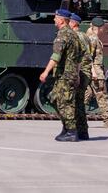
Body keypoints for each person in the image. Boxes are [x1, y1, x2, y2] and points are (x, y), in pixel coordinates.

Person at [39, 9, 82, 142]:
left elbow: (56, 56)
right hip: (71, 74)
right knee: (54, 98)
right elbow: (80, 57)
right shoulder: (74, 35)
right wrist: (77, 74)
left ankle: (72, 132)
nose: (54, 20)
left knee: (64, 102)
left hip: (65, 75)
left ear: (62, 20)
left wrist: (46, 71)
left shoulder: (63, 35)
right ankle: (66, 128)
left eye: (56, 18)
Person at [82, 17, 108, 123]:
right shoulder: (93, 39)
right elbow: (88, 56)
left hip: (95, 69)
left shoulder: (92, 37)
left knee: (88, 93)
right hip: (95, 70)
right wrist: (94, 71)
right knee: (101, 94)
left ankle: (77, 113)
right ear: (100, 28)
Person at [68, 14, 91, 140]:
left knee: (75, 102)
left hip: (80, 72)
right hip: (85, 71)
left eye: (69, 22)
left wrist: (76, 74)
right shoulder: (85, 36)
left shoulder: (76, 36)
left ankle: (77, 131)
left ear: (73, 23)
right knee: (79, 102)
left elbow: (79, 58)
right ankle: (83, 131)